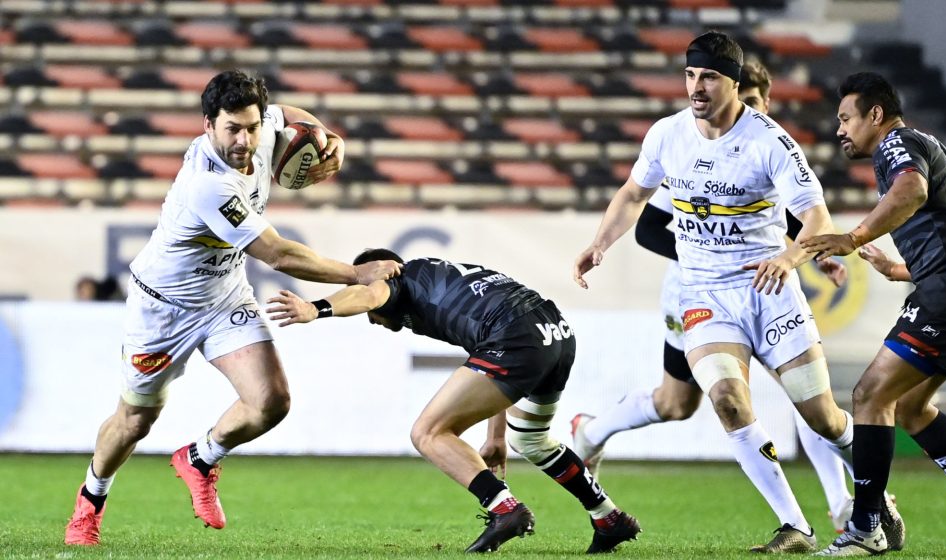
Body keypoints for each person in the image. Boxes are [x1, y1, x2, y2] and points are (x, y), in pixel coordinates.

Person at [572, 31, 903, 553]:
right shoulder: (667, 134)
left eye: (708, 77)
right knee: (727, 401)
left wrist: (793, 256)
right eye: (690, 75)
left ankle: (872, 498)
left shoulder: (770, 141)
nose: (696, 87)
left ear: (732, 83)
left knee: (823, 418)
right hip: (705, 293)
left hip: (769, 291)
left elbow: (814, 214)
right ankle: (795, 525)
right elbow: (634, 194)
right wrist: (599, 243)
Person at [64, 70, 402, 546]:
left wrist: (332, 140)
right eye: (232, 129)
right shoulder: (208, 184)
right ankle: (89, 503)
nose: (244, 141)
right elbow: (279, 254)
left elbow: (294, 118)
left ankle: (200, 458)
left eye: (251, 127)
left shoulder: (261, 129)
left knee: (272, 402)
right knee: (135, 421)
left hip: (224, 297)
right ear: (208, 125)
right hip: (164, 309)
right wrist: (356, 273)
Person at [266, 250, 641, 554]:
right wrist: (496, 436)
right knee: (530, 439)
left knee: (428, 432)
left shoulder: (395, 282)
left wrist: (316, 309)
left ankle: (505, 510)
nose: (371, 320)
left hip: (515, 336)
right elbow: (489, 355)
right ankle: (609, 518)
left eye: (370, 316)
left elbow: (368, 295)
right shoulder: (439, 276)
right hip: (555, 331)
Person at [803, 71, 946, 556]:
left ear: (876, 114)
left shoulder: (897, 143)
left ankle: (865, 526)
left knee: (870, 394)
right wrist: (898, 267)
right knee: (911, 406)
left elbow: (911, 193)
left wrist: (853, 238)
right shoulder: (922, 144)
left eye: (846, 118)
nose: (840, 130)